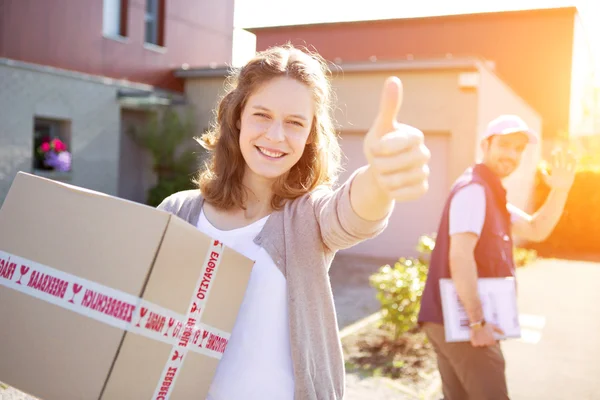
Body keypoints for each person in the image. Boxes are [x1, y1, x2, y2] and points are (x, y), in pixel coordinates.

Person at [157, 44, 431, 399]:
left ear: (310, 134)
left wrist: (380, 178)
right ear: (238, 116)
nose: (275, 136)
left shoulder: (308, 216)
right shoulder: (178, 212)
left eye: (294, 122)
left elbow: (350, 216)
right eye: (262, 115)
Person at [418, 114, 577, 400]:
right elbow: (461, 257)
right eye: (505, 145)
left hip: (448, 321)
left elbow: (536, 229)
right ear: (485, 145)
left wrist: (560, 190)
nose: (512, 154)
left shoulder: (492, 193)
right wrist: (477, 323)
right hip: (463, 324)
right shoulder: (474, 190)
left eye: (519, 149)